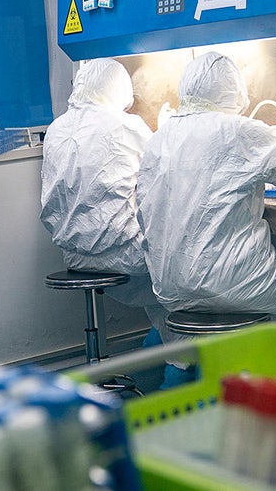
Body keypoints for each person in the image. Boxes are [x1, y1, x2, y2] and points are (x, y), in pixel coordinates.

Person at [136, 52, 276, 328]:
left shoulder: (158, 139)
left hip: (170, 287)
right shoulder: (235, 130)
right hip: (233, 280)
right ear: (233, 88)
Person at [39, 58, 194, 387]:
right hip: (126, 257)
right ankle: (177, 381)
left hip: (75, 258)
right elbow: (163, 170)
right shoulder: (127, 125)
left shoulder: (57, 128)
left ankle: (153, 364)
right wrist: (166, 132)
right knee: (184, 285)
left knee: (162, 302)